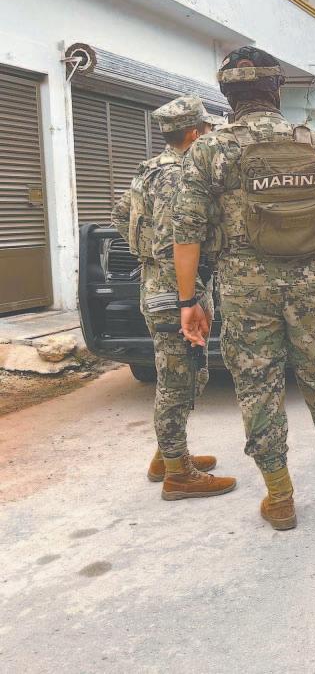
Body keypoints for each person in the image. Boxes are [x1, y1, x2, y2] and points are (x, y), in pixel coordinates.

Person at [171, 46, 315, 531]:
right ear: (277, 90)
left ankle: (280, 499)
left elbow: (187, 232)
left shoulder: (208, 151)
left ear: (227, 95)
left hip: (244, 290)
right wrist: (303, 226)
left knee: (257, 388)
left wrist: (188, 301)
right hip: (311, 285)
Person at [112, 95, 236, 501]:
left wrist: (145, 252)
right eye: (207, 129)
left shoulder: (149, 169)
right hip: (175, 289)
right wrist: (188, 297)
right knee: (176, 380)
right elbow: (172, 243)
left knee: (190, 374)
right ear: (194, 134)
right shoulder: (178, 176)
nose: (211, 134)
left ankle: (168, 456)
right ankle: (178, 475)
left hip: (164, 285)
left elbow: (120, 216)